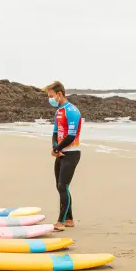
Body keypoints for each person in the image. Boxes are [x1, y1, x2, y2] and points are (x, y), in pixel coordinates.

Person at [46, 81, 82, 231]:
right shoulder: (58, 111)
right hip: (60, 153)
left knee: (63, 186)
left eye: (51, 96)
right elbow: (55, 132)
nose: (50, 99)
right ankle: (69, 219)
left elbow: (71, 136)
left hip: (71, 153)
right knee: (60, 187)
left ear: (59, 94)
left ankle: (60, 222)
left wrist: (58, 148)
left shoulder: (72, 111)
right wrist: (55, 147)